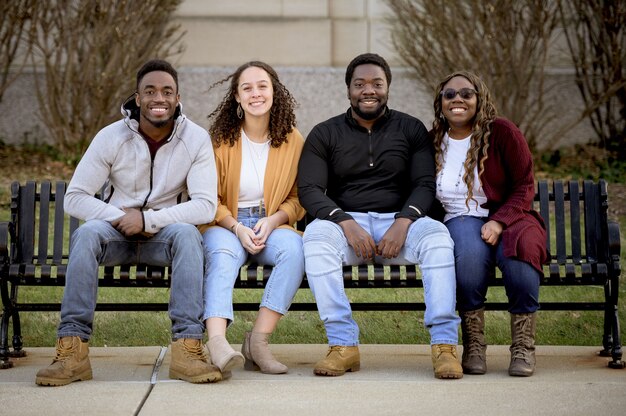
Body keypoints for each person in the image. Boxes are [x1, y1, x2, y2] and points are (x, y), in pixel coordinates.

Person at [35, 59, 221, 386]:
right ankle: (72, 350)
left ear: (178, 99)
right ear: (137, 98)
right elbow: (75, 197)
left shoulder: (195, 139)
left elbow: (205, 206)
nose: (158, 98)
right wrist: (122, 217)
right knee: (87, 233)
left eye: (167, 91)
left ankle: (187, 348)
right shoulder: (111, 137)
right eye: (150, 91)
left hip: (164, 233)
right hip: (116, 234)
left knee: (189, 236)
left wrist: (149, 219)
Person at [298, 53, 463, 379]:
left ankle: (444, 346)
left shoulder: (411, 129)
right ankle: (343, 344)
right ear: (348, 90)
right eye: (360, 84)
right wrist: (346, 223)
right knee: (315, 239)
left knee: (438, 239)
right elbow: (310, 190)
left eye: (377, 83)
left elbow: (424, 184)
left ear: (388, 87)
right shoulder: (325, 133)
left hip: (400, 224)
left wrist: (404, 222)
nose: (368, 90)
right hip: (345, 224)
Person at [431, 70, 547, 377]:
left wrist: (499, 222)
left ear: (479, 99)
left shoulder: (503, 132)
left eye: (466, 94)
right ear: (440, 102)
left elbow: (524, 185)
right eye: (449, 94)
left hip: (511, 215)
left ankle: (523, 347)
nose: (458, 99)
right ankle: (475, 345)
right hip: (460, 217)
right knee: (468, 265)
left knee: (521, 263)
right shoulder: (434, 141)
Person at [200, 61, 305, 375]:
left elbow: (299, 198)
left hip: (270, 222)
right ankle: (217, 342)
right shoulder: (219, 140)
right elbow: (206, 198)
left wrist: (273, 221)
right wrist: (234, 226)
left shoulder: (292, 140)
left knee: (296, 251)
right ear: (236, 96)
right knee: (222, 255)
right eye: (247, 88)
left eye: (262, 86)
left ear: (275, 92)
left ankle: (258, 341)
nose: (255, 93)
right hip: (224, 222)